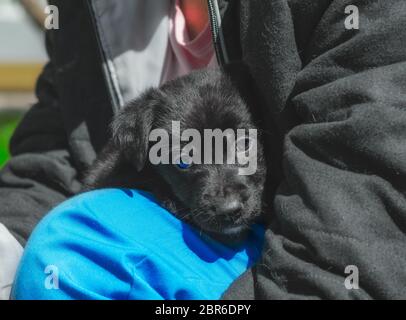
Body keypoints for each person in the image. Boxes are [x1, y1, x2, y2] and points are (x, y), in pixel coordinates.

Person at [1, 0, 406, 300]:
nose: (228, 199)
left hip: (305, 264)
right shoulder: (86, 12)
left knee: (74, 251)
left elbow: (358, 207)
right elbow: (55, 155)